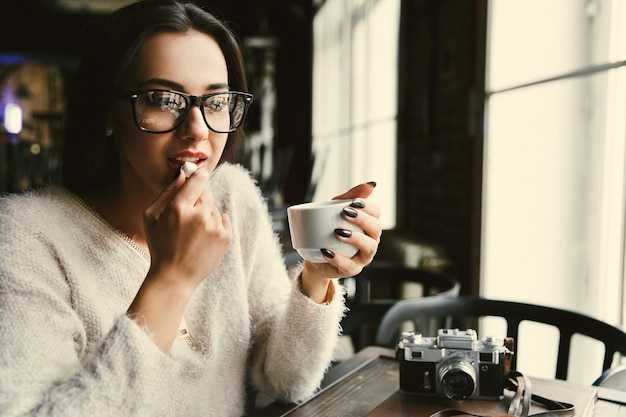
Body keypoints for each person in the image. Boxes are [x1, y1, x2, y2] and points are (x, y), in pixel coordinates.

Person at [0, 1, 382, 416]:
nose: (197, 129)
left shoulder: (233, 198)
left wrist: (317, 276)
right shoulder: (26, 236)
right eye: (163, 99)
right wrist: (169, 283)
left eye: (216, 102)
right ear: (108, 111)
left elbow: (286, 380)